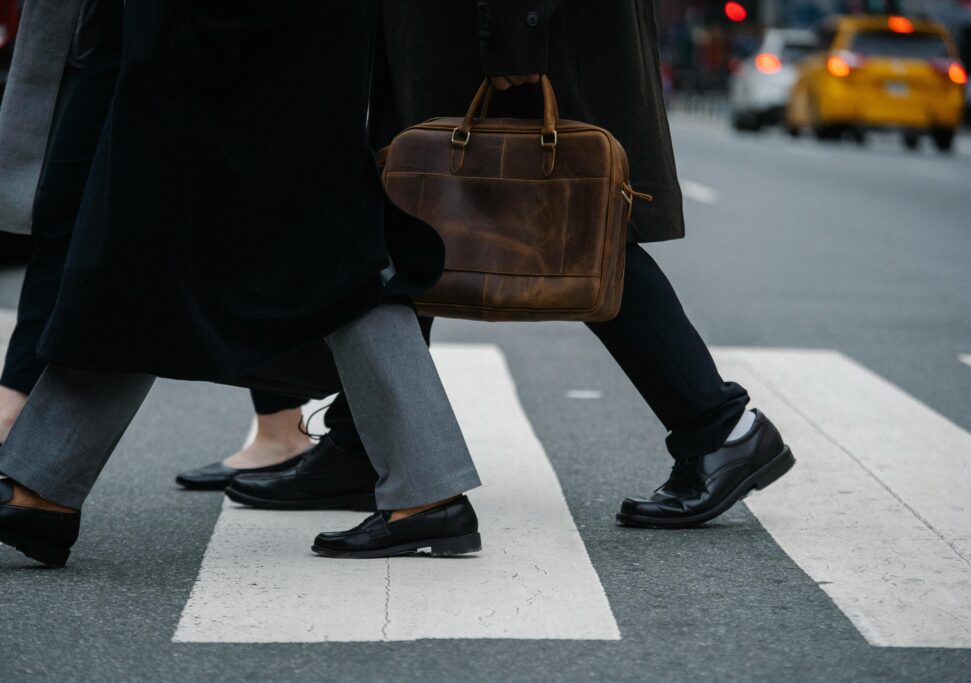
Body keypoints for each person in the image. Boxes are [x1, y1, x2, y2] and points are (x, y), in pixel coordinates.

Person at [223, 0, 795, 529]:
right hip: (472, 34)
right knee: (410, 218)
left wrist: (518, 28)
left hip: (506, 37)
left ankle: (719, 425)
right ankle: (365, 446)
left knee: (575, 228)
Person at [0, 0, 482, 567]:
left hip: (232, 49)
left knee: (321, 260)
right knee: (165, 260)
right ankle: (43, 487)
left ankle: (43, 488)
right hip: (250, 48)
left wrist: (183, 39)